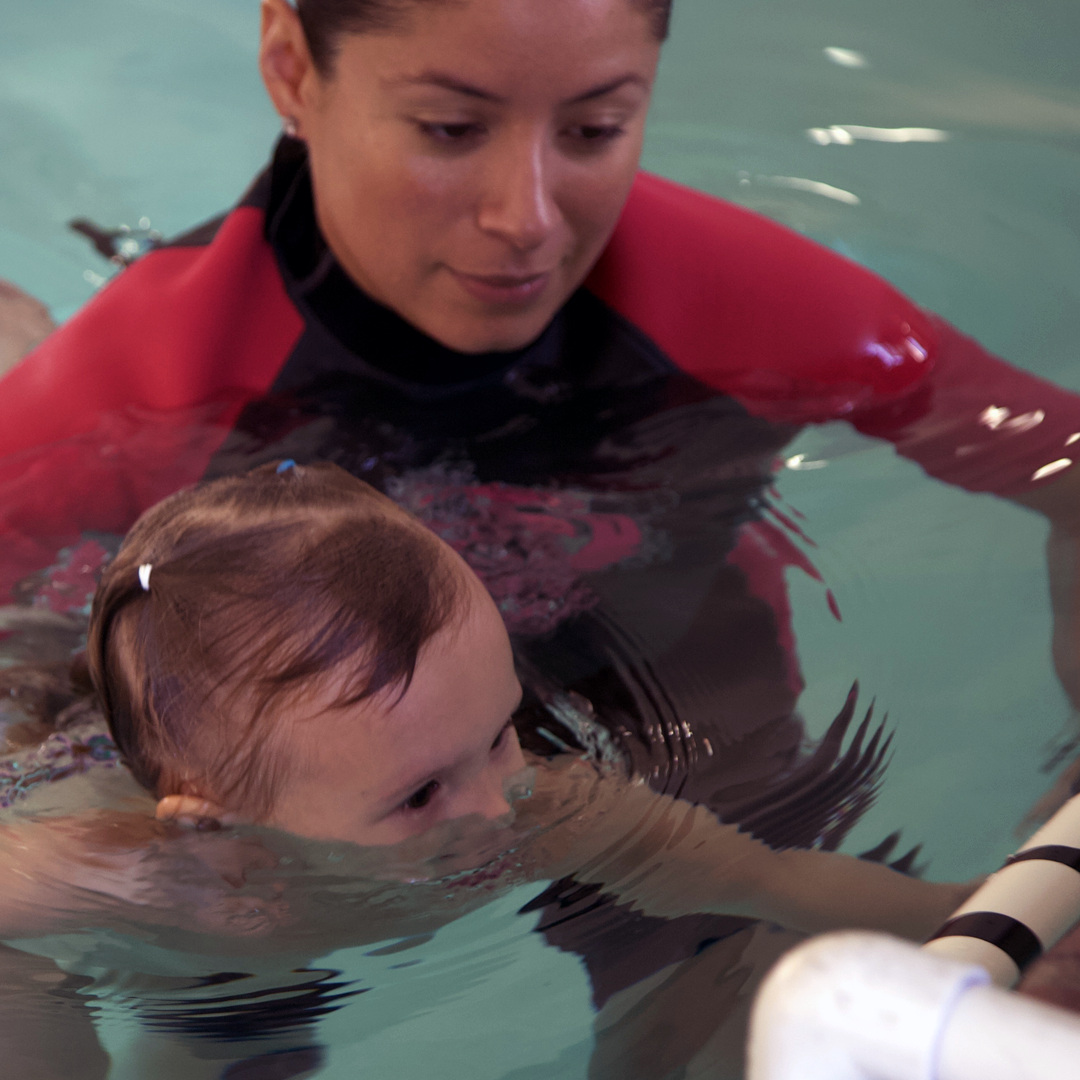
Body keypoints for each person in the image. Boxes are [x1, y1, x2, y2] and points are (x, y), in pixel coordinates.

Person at [1, 0, 1080, 1054]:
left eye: (594, 128)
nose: (527, 218)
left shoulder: (727, 298)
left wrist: (1035, 884)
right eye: (452, 128)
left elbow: (1066, 467)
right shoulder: (129, 393)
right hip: (225, 753)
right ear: (290, 67)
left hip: (670, 658)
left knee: (721, 986)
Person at [0, 460, 968, 1077]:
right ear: (209, 824)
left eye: (503, 730)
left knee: (252, 1030)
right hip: (132, 871)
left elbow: (771, 883)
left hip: (269, 935)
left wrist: (978, 915)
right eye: (421, 795)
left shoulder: (547, 802)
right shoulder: (125, 866)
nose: (499, 808)